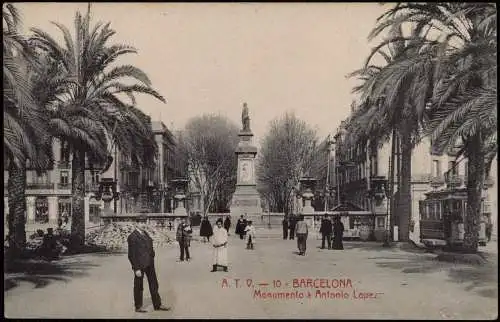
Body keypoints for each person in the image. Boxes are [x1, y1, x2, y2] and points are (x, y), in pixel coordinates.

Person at [127, 215, 170, 313]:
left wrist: (152, 254)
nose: (143, 224)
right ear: (136, 223)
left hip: (150, 263)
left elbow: (149, 245)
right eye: (141, 222)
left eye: (144, 222)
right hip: (140, 265)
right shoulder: (132, 237)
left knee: (154, 284)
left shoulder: (145, 234)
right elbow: (131, 255)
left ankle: (157, 305)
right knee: (138, 285)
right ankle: (138, 306)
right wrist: (136, 268)